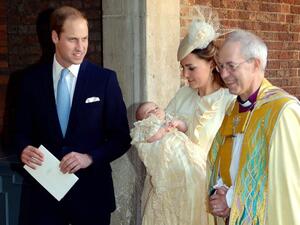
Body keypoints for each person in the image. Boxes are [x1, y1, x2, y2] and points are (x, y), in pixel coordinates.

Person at [14, 6, 131, 225]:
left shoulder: (105, 80)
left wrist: (90, 157)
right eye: (73, 39)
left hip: (92, 196)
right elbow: (18, 132)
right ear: (55, 37)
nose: (81, 47)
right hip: (42, 198)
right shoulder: (29, 81)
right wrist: (23, 149)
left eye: (85, 39)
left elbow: (121, 137)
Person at [207, 29, 300, 225]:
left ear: (255, 64)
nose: (224, 74)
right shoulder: (233, 108)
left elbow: (287, 183)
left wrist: (232, 198)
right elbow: (219, 160)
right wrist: (220, 192)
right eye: (221, 66)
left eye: (231, 66)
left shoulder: (282, 110)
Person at [159, 7, 235, 225]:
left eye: (191, 68)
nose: (185, 76)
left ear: (211, 64)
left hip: (209, 199)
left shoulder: (228, 101)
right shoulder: (182, 96)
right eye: (182, 68)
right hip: (177, 196)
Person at [131, 101, 207, 225]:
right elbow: (150, 138)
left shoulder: (169, 118)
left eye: (156, 107)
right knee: (174, 179)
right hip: (168, 155)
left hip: (184, 150)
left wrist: (177, 123)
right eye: (149, 112)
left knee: (195, 168)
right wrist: (162, 130)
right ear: (143, 119)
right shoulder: (146, 126)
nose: (155, 110)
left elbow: (184, 128)